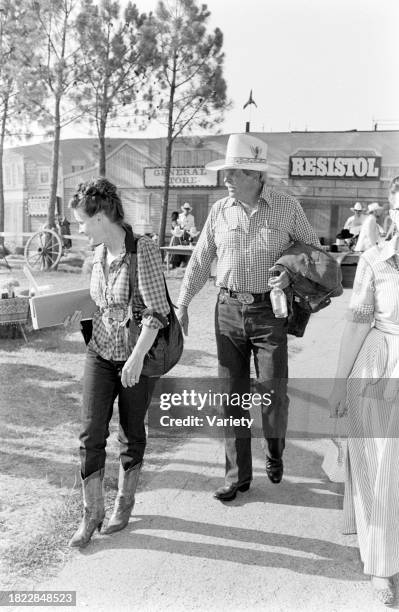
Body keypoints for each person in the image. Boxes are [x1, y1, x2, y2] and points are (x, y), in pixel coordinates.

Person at [176, 133, 320, 501]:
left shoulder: (287, 208)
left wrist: (289, 272)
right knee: (231, 395)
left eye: (235, 171)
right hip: (226, 310)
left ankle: (274, 450)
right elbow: (200, 259)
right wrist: (183, 303)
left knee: (273, 392)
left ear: (256, 176)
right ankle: (237, 476)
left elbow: (313, 252)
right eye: (226, 170)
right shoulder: (220, 211)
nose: (227, 177)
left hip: (268, 312)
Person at [66, 177, 170, 548]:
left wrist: (138, 356)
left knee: (131, 432)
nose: (79, 229)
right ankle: (91, 513)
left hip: (134, 355)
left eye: (82, 222)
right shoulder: (97, 253)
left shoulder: (142, 249)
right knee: (90, 432)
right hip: (100, 350)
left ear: (101, 217)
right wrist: (70, 312)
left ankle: (124, 504)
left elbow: (157, 312)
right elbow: (100, 302)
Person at [329, 175, 399, 606]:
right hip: (380, 363)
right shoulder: (375, 259)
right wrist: (338, 385)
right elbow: (357, 322)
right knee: (380, 464)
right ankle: (381, 563)